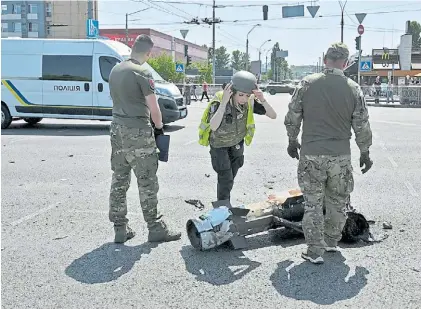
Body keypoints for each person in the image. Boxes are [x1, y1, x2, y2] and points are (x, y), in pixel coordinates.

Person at [284, 42, 373, 264]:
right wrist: (365, 152)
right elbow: (361, 124)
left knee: (313, 203)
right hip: (340, 157)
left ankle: (314, 251)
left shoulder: (306, 84)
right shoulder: (353, 88)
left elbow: (293, 115)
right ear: (346, 63)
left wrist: (292, 140)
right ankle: (331, 242)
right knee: (337, 201)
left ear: (325, 59)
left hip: (311, 154)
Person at [108, 34, 181, 244]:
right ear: (148, 53)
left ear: (132, 48)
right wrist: (159, 129)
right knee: (147, 180)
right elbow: (154, 108)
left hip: (117, 130)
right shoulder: (142, 72)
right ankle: (155, 227)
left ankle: (120, 229)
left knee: (119, 179)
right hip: (138, 131)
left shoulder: (116, 70)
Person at [199, 70, 277, 201]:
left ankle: (223, 205)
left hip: (236, 144)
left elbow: (273, 115)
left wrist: (262, 99)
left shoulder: (250, 101)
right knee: (226, 178)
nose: (244, 99)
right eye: (240, 95)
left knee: (229, 179)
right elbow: (213, 126)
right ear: (232, 91)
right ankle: (223, 208)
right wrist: (223, 103)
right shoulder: (219, 100)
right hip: (219, 146)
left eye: (247, 95)